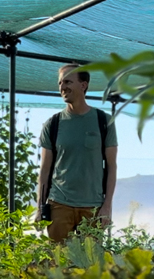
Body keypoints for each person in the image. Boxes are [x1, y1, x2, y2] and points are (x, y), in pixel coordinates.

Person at [36, 64, 118, 243]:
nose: (62, 87)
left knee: (90, 266)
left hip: (92, 208)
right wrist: (40, 208)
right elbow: (44, 170)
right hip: (59, 206)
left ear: (83, 85)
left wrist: (106, 207)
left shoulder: (104, 122)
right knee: (58, 265)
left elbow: (112, 167)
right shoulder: (53, 124)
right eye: (60, 83)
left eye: (67, 81)